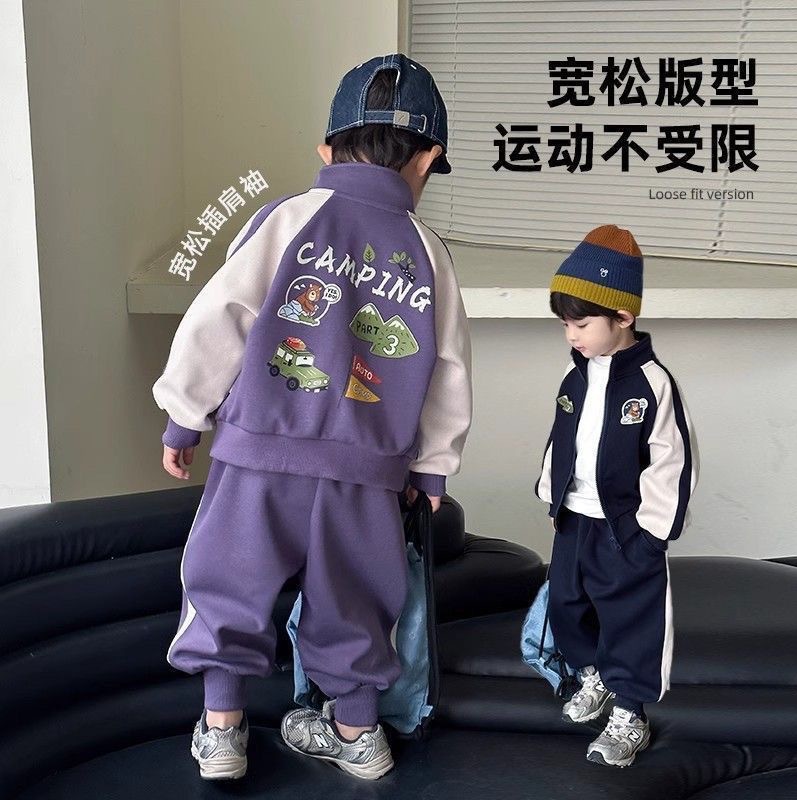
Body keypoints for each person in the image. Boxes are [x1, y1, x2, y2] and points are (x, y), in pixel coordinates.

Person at [152, 53, 472, 781]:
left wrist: (184, 415)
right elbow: (449, 369)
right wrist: (432, 468)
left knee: (227, 581)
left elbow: (220, 317)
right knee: (355, 599)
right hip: (366, 473)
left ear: (327, 150)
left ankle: (223, 731)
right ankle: (359, 735)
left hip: (259, 455)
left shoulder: (287, 218)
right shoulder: (430, 255)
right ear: (428, 159)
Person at [534, 224, 698, 768]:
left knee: (630, 616)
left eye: (581, 324)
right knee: (567, 603)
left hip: (626, 527)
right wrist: (553, 496)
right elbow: (561, 438)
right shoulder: (574, 373)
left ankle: (630, 712)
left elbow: (674, 459)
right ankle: (594, 675)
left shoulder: (653, 384)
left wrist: (651, 532)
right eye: (564, 324)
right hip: (574, 519)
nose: (570, 335)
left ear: (623, 317)